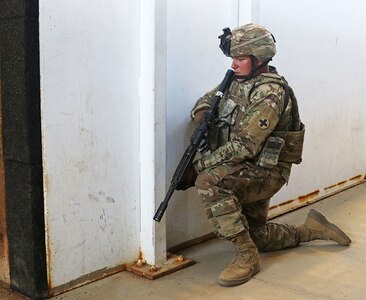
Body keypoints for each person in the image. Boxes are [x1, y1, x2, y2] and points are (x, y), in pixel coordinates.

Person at [177, 23, 351, 287]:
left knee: (208, 181)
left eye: (240, 59)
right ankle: (311, 230)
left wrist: (200, 166)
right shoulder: (236, 81)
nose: (233, 65)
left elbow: (245, 146)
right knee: (258, 235)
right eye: (233, 58)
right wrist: (203, 115)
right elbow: (206, 99)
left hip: (265, 172)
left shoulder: (269, 93)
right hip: (245, 168)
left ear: (259, 59)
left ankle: (247, 258)